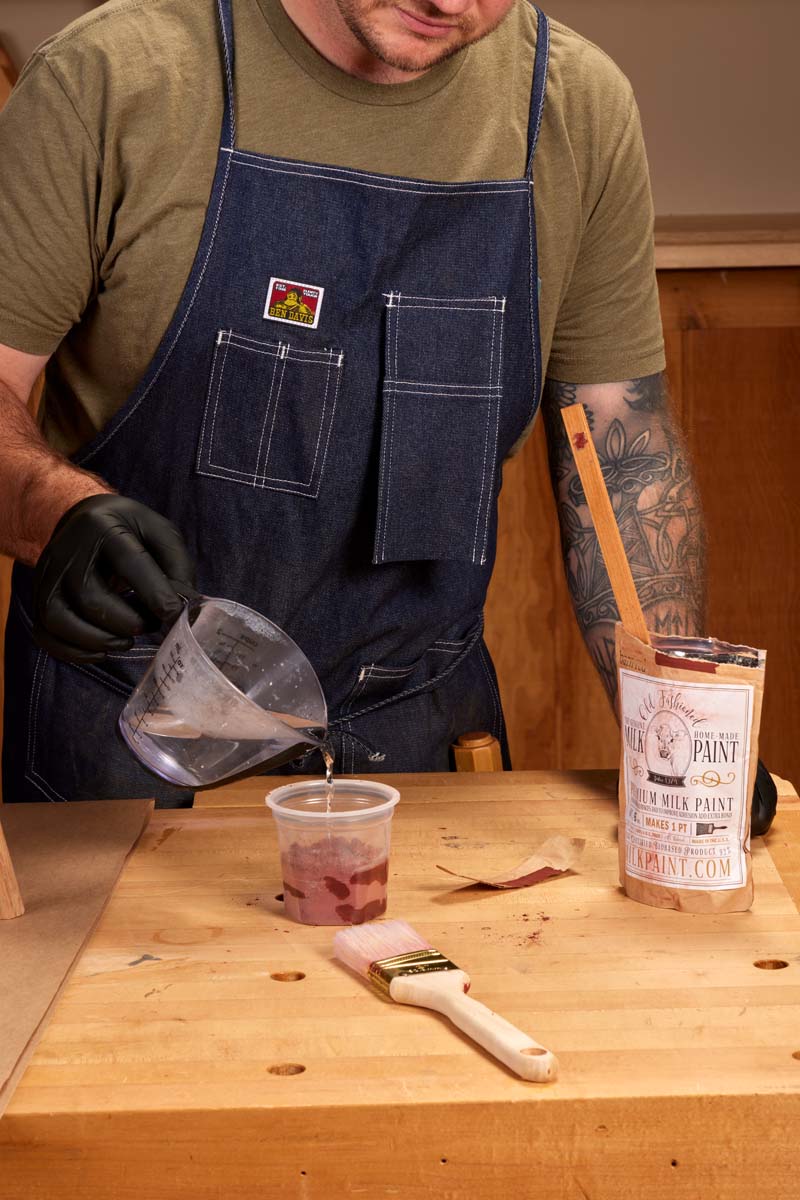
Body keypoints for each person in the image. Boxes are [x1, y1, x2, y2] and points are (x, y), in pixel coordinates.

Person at [0, 0, 705, 807]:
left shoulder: (576, 108)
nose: (449, 1)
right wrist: (51, 509)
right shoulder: (115, 80)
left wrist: (679, 729)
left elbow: (622, 457)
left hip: (418, 759)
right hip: (136, 747)